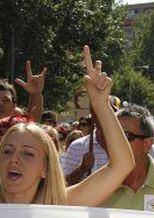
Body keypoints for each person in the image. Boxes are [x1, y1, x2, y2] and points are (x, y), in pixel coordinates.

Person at [0, 46, 135, 206]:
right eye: (7, 151)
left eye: (28, 154)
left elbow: (122, 165)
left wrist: (100, 103)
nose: (14, 159)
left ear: (45, 168)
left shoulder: (60, 206)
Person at [101, 105, 154, 211]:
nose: (115, 142)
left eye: (126, 136)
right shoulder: (97, 189)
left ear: (147, 144)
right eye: (111, 135)